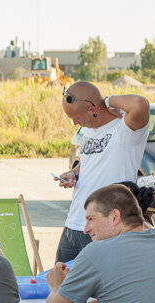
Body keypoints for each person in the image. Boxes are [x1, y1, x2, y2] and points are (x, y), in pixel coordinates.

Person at [55, 82, 150, 263]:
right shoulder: (89, 131)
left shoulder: (126, 131)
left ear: (93, 109)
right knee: (60, 286)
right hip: (73, 224)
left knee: (100, 290)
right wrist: (74, 174)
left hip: (104, 229)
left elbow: (140, 103)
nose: (74, 123)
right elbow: (89, 161)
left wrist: (106, 101)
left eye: (76, 117)